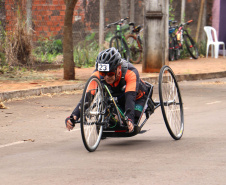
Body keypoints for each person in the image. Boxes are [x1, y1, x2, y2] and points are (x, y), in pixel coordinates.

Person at [65, 47, 149, 133]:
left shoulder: (130, 73)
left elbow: (130, 98)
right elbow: (87, 97)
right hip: (117, 99)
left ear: (119, 68)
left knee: (131, 125)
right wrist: (74, 116)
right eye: (103, 74)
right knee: (112, 124)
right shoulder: (96, 74)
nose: (106, 78)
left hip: (137, 98)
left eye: (110, 74)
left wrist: (129, 118)